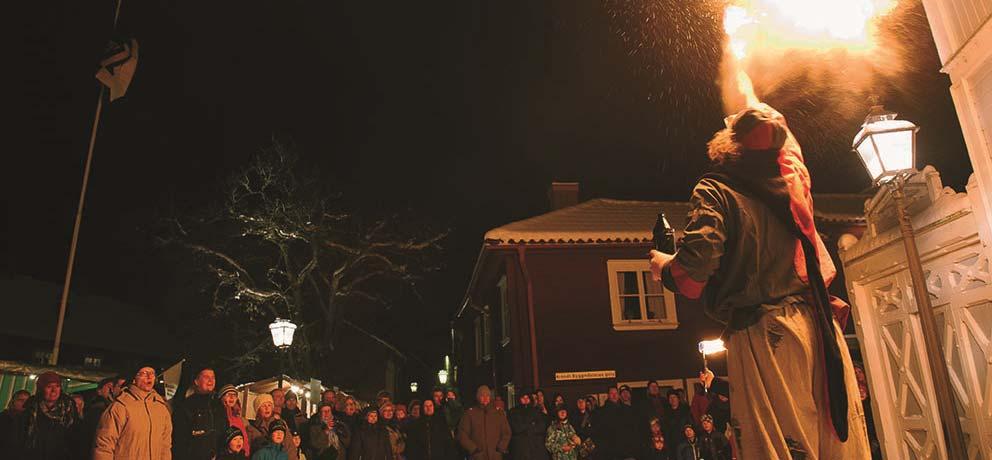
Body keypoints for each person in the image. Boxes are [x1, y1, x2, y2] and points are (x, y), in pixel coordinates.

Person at [648, 101, 870, 457]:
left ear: (727, 142)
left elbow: (693, 275)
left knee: (776, 450)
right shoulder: (793, 179)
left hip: (769, 334)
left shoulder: (715, 190)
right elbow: (770, 126)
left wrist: (663, 266)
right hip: (822, 332)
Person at [93, 366, 172, 460]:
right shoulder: (121, 406)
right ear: (134, 379)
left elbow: (165, 446)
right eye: (144, 373)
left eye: (152, 373)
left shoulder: (161, 408)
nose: (149, 377)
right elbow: (104, 445)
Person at [11, 371, 83, 460]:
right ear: (41, 389)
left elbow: (75, 437)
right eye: (49, 387)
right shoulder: (31, 406)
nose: (54, 391)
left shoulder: (68, 407)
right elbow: (21, 436)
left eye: (57, 386)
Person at [173, 367, 229, 460]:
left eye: (213, 377)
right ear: (196, 381)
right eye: (206, 377)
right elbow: (179, 440)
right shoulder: (186, 406)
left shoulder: (218, 405)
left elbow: (225, 430)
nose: (211, 380)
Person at [456, 385, 511, 460]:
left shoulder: (498, 414)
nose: (485, 398)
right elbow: (462, 434)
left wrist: (500, 448)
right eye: (482, 396)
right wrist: (473, 449)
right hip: (478, 456)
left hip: (495, 456)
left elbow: (506, 433)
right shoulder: (470, 414)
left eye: (487, 396)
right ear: (478, 397)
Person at [249, 393, 299, 460]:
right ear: (258, 409)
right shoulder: (251, 429)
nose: (267, 408)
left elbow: (290, 447)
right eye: (263, 406)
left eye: (269, 405)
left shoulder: (280, 424)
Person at [508, 390, 547, 460]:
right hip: (519, 448)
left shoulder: (536, 411)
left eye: (527, 398)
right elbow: (515, 428)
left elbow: (541, 427)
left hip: (534, 447)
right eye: (523, 398)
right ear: (519, 399)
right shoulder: (513, 411)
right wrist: (531, 424)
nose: (525, 400)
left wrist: (524, 426)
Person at [221, 384, 253, 458]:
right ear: (221, 397)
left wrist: (246, 454)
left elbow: (244, 438)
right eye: (228, 394)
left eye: (234, 395)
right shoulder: (217, 416)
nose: (232, 397)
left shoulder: (238, 419)